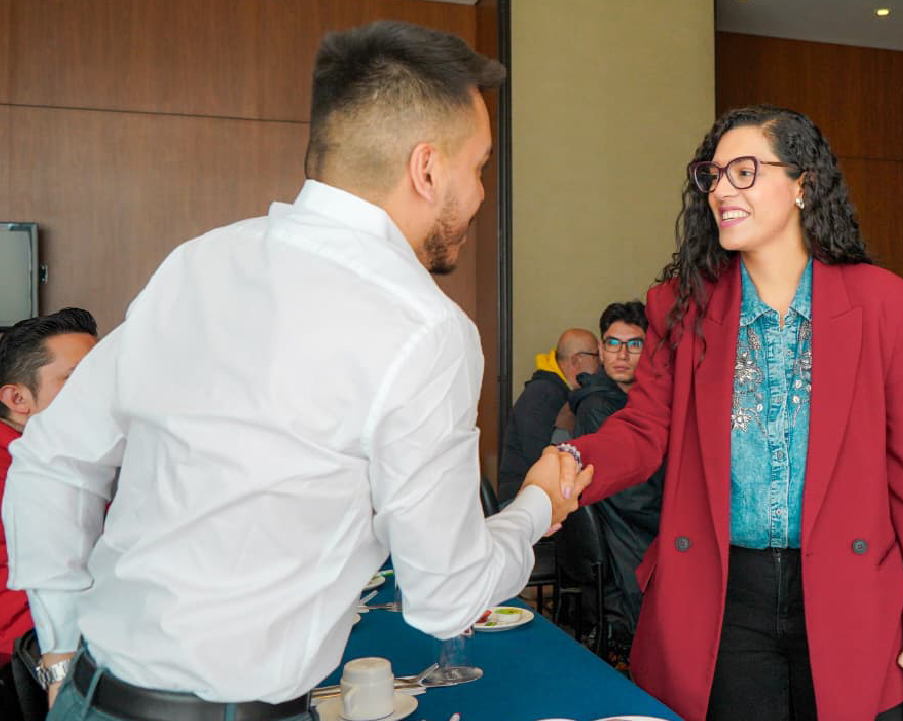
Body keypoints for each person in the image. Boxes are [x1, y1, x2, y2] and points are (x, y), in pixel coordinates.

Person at [4, 22, 590, 721]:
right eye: (479, 167)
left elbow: (51, 459)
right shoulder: (424, 328)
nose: (479, 194)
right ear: (427, 169)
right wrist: (536, 508)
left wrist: (63, 648)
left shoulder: (198, 262)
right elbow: (448, 596)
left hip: (87, 695)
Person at [556, 106, 903, 720]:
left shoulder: (883, 305)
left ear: (804, 184)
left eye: (744, 172)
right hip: (721, 593)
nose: (721, 191)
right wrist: (571, 463)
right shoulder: (682, 305)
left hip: (850, 595)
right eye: (712, 176)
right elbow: (644, 430)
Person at [0, 308, 98, 718]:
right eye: (77, 381)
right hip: (29, 672)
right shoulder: (16, 474)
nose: (99, 396)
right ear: (18, 398)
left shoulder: (82, 456)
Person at [567, 301, 663, 651]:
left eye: (634, 344)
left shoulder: (641, 403)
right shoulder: (597, 406)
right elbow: (632, 496)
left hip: (634, 525)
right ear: (601, 350)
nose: (622, 354)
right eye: (612, 343)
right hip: (624, 532)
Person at [497, 328, 599, 502]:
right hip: (520, 501)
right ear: (577, 360)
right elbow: (542, 460)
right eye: (596, 356)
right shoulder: (544, 394)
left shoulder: (557, 390)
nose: (601, 362)